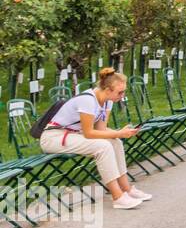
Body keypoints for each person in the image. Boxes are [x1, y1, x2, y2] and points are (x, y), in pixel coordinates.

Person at [40, 67, 151, 210]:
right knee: (102, 147)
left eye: (124, 91)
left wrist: (121, 133)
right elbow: (89, 133)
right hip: (54, 137)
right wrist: (118, 133)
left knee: (115, 142)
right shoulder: (87, 100)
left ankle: (126, 189)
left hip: (73, 135)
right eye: (120, 92)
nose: (122, 96)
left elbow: (101, 130)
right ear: (108, 90)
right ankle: (118, 197)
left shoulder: (107, 101)